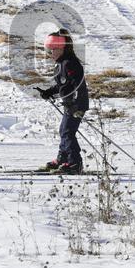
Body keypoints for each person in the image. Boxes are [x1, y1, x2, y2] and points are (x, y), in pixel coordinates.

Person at [36, 29, 89, 174]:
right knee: (64, 131)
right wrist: (48, 92)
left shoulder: (70, 63)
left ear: (60, 48)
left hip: (76, 104)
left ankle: (74, 163)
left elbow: (76, 84)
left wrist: (73, 103)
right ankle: (62, 159)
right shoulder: (61, 63)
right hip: (70, 104)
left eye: (50, 51)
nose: (49, 54)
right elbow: (62, 85)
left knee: (67, 132)